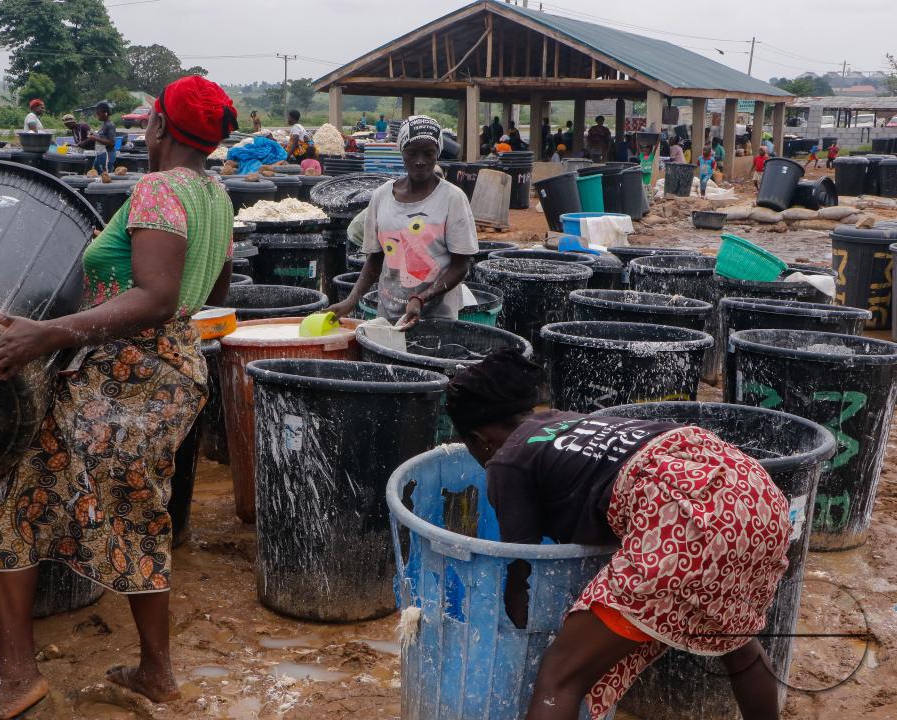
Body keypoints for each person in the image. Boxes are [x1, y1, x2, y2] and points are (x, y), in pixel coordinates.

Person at [0, 74, 238, 719]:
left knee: (12, 512)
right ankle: (155, 673)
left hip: (126, 376)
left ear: (161, 127)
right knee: (133, 510)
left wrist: (47, 334)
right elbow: (211, 293)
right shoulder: (215, 194)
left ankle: (19, 678)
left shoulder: (160, 189)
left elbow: (156, 296)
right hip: (172, 369)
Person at [444, 349, 791, 720]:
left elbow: (520, 563)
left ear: (481, 440)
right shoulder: (564, 420)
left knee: (559, 676)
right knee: (735, 641)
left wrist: (517, 618)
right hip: (749, 490)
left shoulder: (507, 461)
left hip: (684, 519)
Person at [327, 115, 477, 330]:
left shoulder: (453, 198)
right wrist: (351, 300)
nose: (420, 160)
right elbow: (375, 260)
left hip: (437, 318)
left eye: (428, 153)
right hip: (388, 314)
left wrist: (422, 298)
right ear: (401, 152)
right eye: (412, 152)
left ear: (438, 154)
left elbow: (461, 266)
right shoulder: (382, 196)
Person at [88, 101, 118, 175]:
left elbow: (112, 143)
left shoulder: (110, 125)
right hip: (100, 154)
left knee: (106, 177)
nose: (97, 116)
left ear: (105, 113)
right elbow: (103, 138)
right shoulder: (104, 124)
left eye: (98, 114)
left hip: (107, 156)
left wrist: (95, 138)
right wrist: (95, 135)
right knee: (93, 174)